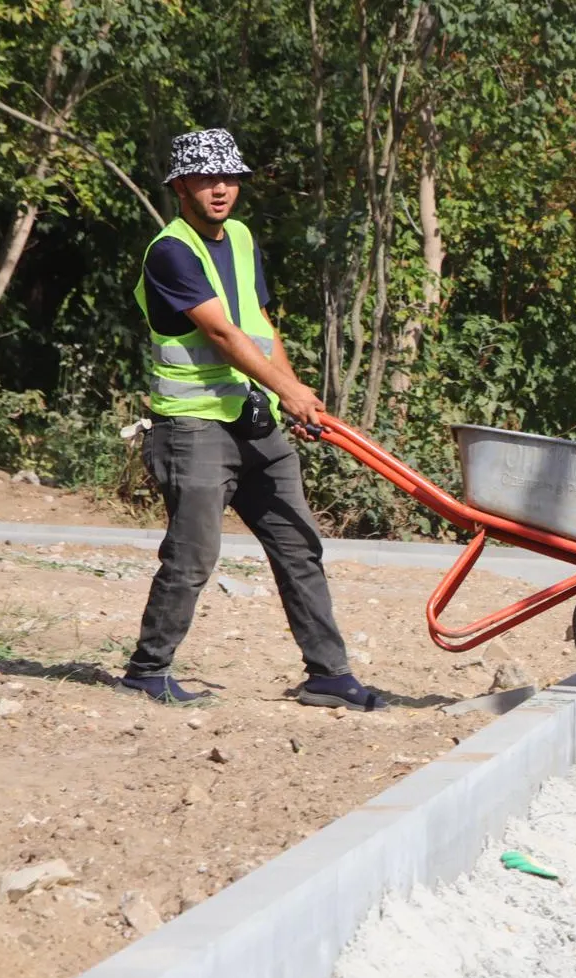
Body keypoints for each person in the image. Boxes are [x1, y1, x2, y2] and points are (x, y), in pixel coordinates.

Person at [119, 127, 382, 711]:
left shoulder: (239, 237)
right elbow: (221, 334)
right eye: (206, 179)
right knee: (192, 556)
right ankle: (147, 670)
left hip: (253, 419)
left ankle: (329, 675)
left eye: (229, 178)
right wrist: (288, 391)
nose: (220, 189)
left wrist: (295, 396)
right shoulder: (171, 251)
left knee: (299, 544)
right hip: (193, 426)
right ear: (180, 186)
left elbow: (258, 325)